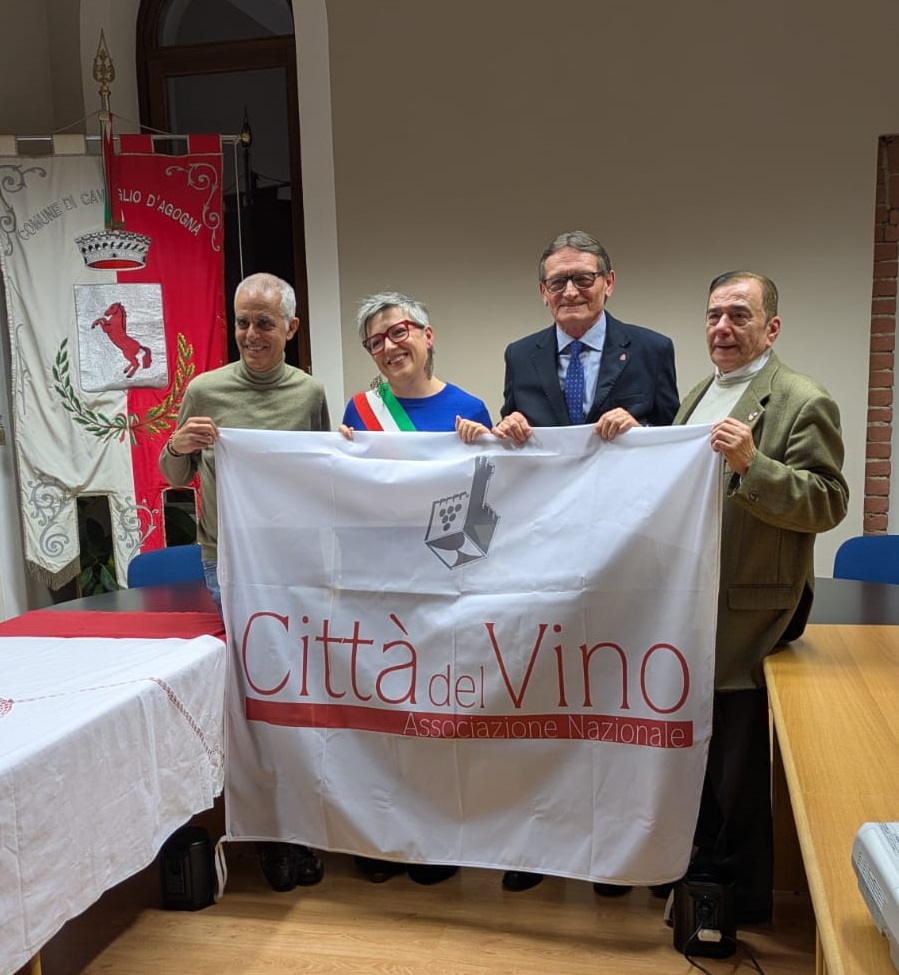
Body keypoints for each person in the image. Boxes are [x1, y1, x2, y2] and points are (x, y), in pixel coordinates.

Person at [478, 231, 680, 895]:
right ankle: (536, 844)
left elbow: (677, 449)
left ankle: (611, 853)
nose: (570, 290)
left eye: (583, 278)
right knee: (541, 701)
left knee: (613, 706)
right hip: (545, 560)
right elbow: (515, 448)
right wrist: (509, 428)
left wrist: (643, 433)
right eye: (557, 281)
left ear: (608, 283)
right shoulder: (521, 354)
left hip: (625, 560)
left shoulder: (651, 349)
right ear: (542, 292)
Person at [671, 270, 848, 923]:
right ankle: (699, 880)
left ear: (770, 328)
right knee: (696, 756)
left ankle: (741, 902)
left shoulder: (802, 399)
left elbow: (828, 502)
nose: (723, 327)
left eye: (739, 315)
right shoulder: (697, 395)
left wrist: (754, 465)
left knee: (737, 766)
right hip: (689, 602)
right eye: (714, 315)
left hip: (749, 611)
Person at [159, 271, 331, 894]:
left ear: (291, 327)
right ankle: (272, 837)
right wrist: (179, 443)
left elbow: (324, 474)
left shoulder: (309, 393)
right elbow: (173, 473)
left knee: (296, 694)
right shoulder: (205, 388)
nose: (251, 334)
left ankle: (300, 825)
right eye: (241, 322)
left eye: (264, 322)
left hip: (292, 563)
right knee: (256, 697)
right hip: (226, 561)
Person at [340, 290, 491, 885]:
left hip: (445, 584)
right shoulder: (360, 410)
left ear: (427, 335)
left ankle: (438, 838)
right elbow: (348, 500)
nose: (388, 346)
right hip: (379, 585)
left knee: (440, 714)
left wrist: (485, 447)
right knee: (382, 712)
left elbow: (486, 506)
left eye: (398, 332)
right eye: (375, 341)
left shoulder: (469, 407)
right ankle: (381, 838)